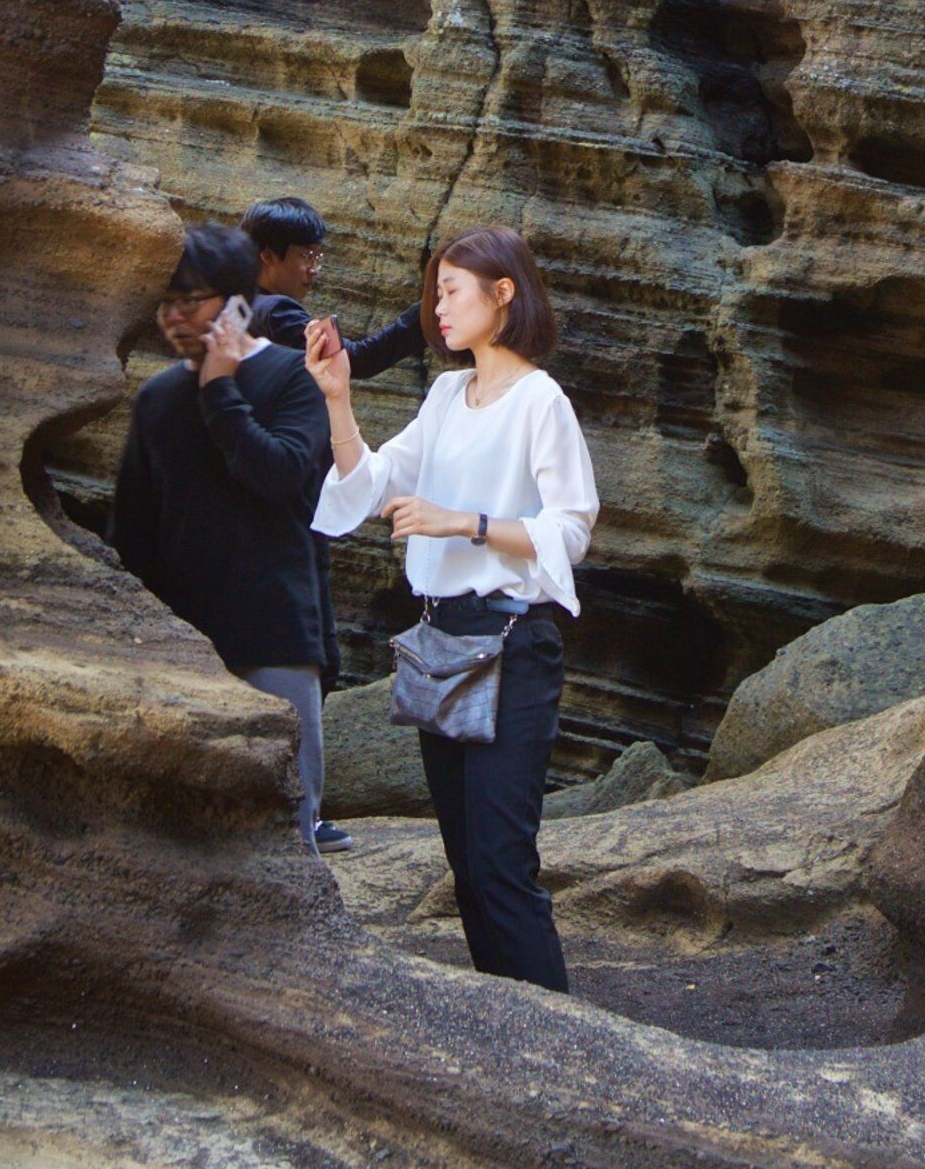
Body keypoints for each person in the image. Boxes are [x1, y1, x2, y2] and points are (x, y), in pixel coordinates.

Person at [302, 227, 599, 990]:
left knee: (502, 862)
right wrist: (338, 399)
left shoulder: (540, 399)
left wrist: (458, 521)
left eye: (453, 291)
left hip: (513, 641)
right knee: (466, 864)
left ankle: (556, 1035)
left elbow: (571, 529)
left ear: (504, 295)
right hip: (444, 644)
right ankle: (506, 1026)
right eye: (436, 294)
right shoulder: (443, 395)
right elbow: (369, 485)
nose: (438, 307)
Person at [107, 225, 351, 854]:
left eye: (192, 300)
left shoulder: (294, 380)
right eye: (166, 304)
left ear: (239, 302)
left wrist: (219, 388)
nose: (175, 317)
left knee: (285, 831)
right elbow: (131, 534)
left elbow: (279, 476)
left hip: (273, 634)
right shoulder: (157, 400)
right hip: (181, 642)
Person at [241, 196, 431, 380]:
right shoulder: (278, 311)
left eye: (317, 258)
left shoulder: (235, 303)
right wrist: (431, 308)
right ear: (268, 256)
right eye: (307, 256)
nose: (314, 270)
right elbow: (358, 359)